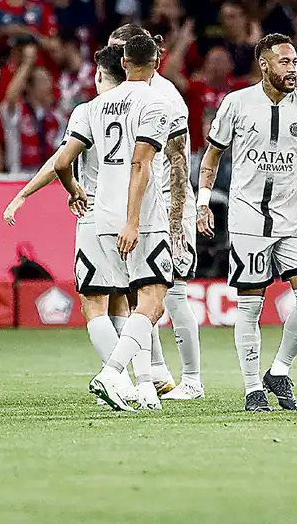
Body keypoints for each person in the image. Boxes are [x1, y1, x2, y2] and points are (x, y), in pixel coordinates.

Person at [196, 33, 297, 413]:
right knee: (250, 306)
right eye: (284, 62)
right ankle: (253, 387)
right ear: (264, 64)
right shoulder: (237, 103)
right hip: (248, 218)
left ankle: (279, 370)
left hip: (295, 217)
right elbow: (212, 156)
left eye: (295, 62)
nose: (292, 69)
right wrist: (203, 204)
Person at [2, 44, 137, 402]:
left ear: (99, 75)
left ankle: (119, 380)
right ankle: (141, 381)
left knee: (93, 301)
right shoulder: (142, 107)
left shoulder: (87, 111)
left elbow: (62, 161)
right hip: (133, 214)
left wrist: (60, 189)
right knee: (122, 299)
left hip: (96, 214)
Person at [54, 35, 174, 412]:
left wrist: (74, 190)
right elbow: (141, 163)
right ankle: (112, 374)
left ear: (123, 63)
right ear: (156, 63)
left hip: (100, 215)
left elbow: (62, 162)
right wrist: (134, 221)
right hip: (140, 218)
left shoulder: (94, 106)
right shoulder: (157, 102)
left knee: (132, 302)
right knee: (152, 302)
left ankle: (145, 388)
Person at [106, 23, 204, 401]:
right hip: (138, 203)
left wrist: (177, 225)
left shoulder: (165, 97)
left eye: (119, 50)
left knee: (173, 294)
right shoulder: (120, 95)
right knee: (139, 294)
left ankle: (192, 380)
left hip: (166, 204)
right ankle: (158, 373)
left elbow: (178, 163)